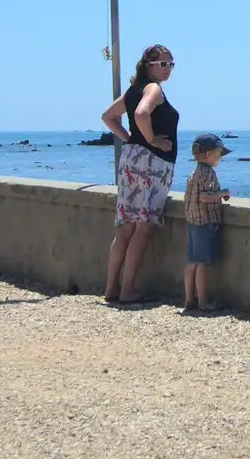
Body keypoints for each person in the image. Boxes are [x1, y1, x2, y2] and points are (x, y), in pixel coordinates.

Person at [99, 44, 179, 304]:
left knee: (127, 227)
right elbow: (141, 113)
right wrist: (152, 139)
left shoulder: (133, 90)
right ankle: (128, 290)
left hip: (131, 159)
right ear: (148, 65)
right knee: (143, 227)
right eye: (163, 64)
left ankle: (112, 287)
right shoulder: (152, 89)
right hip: (151, 163)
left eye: (171, 64)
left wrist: (131, 138)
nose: (167, 70)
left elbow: (108, 117)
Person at [183, 133, 232, 312]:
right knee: (202, 263)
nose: (220, 158)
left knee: (192, 262)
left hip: (192, 221)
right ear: (209, 154)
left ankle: (189, 298)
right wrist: (222, 193)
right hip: (204, 222)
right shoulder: (208, 173)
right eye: (219, 154)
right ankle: (203, 301)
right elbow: (204, 197)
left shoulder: (194, 173)